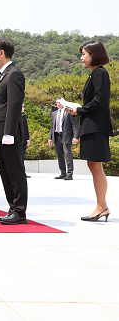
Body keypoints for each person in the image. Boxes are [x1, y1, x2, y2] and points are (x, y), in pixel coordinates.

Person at [68, 40, 112, 222]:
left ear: (94, 55)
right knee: (94, 166)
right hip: (92, 126)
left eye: (84, 54)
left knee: (95, 166)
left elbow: (99, 101)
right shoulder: (94, 74)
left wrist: (80, 110)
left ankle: (102, 206)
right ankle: (101, 206)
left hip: (96, 127)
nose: (81, 57)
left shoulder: (99, 73)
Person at [0, 39, 28, 225]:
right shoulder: (2, 74)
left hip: (7, 134)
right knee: (5, 172)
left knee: (15, 172)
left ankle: (19, 212)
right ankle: (12, 208)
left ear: (2, 53)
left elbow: (14, 105)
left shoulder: (14, 75)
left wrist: (9, 133)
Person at [48, 99, 79, 180]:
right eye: (57, 102)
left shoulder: (69, 112)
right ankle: (62, 173)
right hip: (56, 136)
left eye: (59, 102)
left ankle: (69, 174)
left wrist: (75, 137)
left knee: (67, 154)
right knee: (59, 155)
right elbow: (52, 126)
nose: (58, 104)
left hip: (66, 136)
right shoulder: (54, 113)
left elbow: (75, 126)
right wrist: (50, 138)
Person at [19, 104, 30, 177]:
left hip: (23, 140)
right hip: (17, 140)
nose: (24, 108)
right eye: (22, 107)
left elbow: (26, 129)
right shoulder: (14, 117)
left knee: (22, 156)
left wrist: (27, 139)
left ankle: (22, 173)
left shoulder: (23, 117)